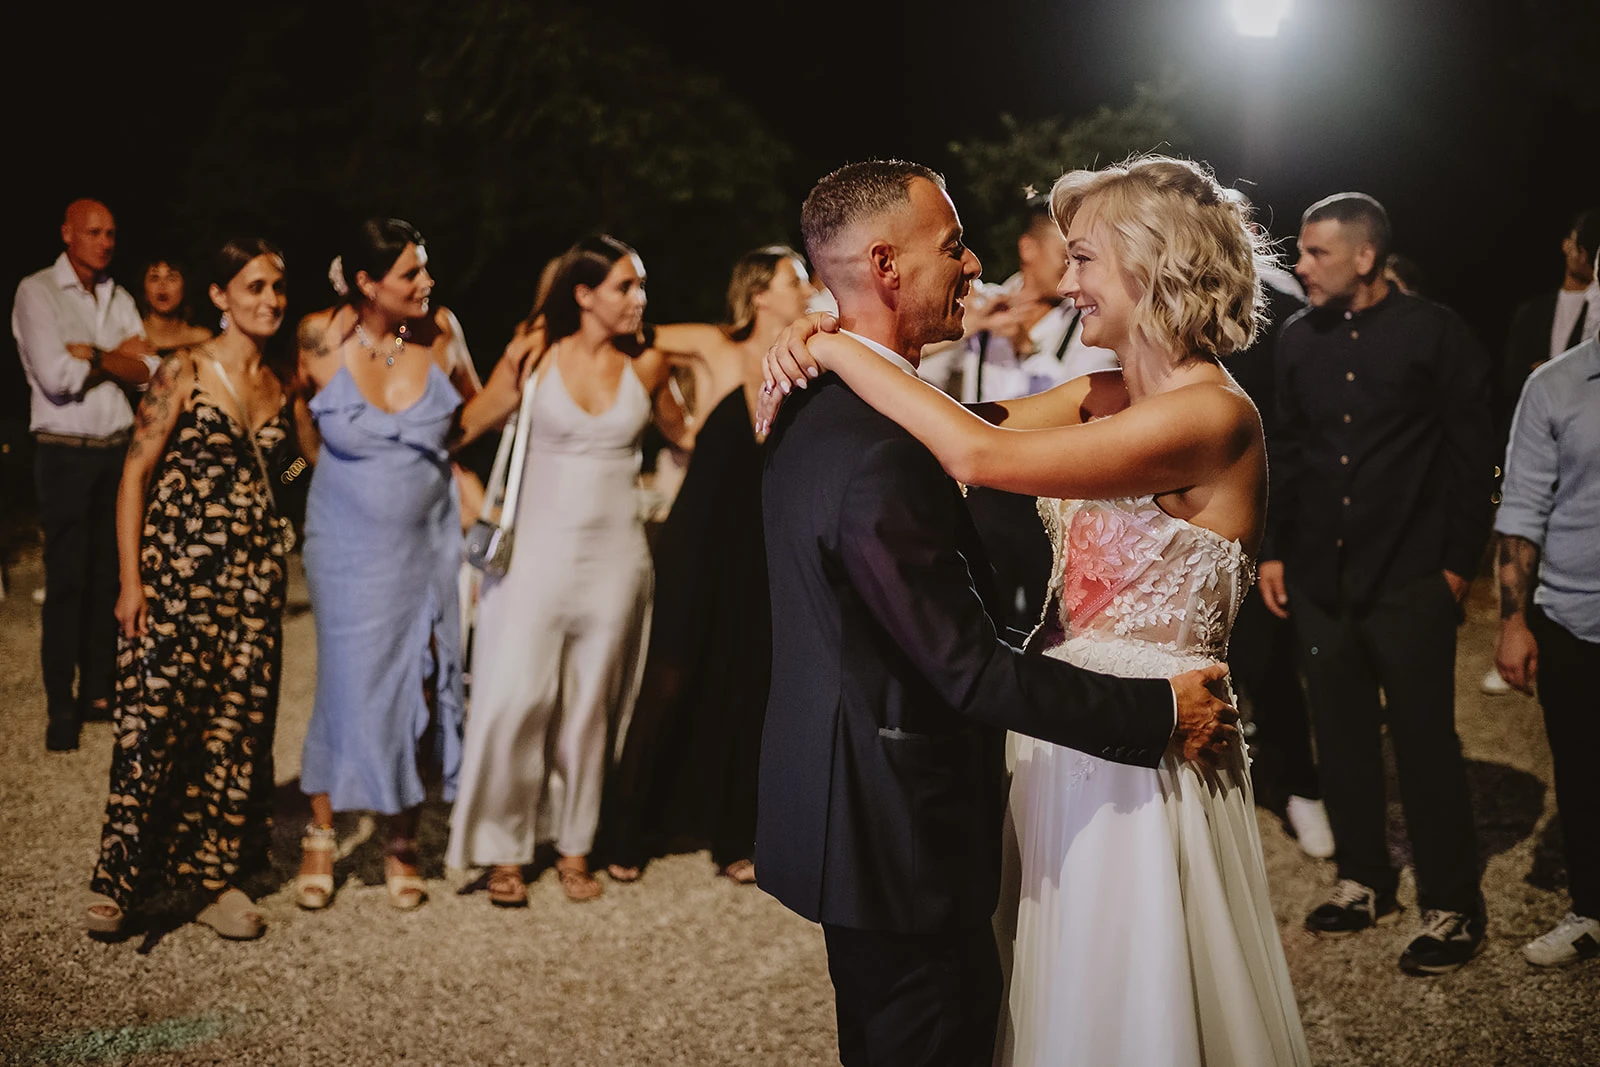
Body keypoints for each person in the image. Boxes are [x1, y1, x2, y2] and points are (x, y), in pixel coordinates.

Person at [755, 158, 1252, 1067]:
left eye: (1083, 260)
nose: (1058, 284)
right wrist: (837, 327)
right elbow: (953, 417)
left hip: (1151, 744)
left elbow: (973, 451)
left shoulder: (1212, 417)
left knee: (1135, 1012)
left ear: (1154, 268)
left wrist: (832, 343)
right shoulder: (1101, 398)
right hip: (1060, 743)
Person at [1258, 192, 1495, 975]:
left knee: (1426, 745)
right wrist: (1275, 552)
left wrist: (1457, 566)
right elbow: (1287, 452)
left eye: (1316, 253)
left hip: (1411, 578)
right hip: (1321, 579)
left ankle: (1453, 902)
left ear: (1366, 256)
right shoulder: (1296, 341)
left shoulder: (1437, 334)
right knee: (1345, 743)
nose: (1301, 265)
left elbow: (1470, 458)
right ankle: (1364, 880)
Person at [446, 235, 690, 905]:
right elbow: (459, 429)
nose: (639, 298)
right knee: (516, 697)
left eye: (641, 285)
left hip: (617, 562)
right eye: (625, 286)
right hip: (532, 559)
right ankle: (502, 846)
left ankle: (576, 843)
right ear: (583, 294)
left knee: (590, 707)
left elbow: (687, 436)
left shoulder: (649, 365)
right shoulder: (532, 356)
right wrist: (469, 501)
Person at [293, 217, 517, 912]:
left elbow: (473, 417)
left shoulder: (441, 330)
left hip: (425, 541)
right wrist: (338, 474)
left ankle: (399, 841)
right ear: (366, 282)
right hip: (342, 543)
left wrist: (517, 371)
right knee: (345, 680)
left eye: (425, 268)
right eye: (410, 273)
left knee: (419, 681)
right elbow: (300, 420)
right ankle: (321, 834)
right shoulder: (317, 336)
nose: (427, 283)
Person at [86, 238, 295, 942]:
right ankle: (120, 878)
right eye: (254, 286)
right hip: (176, 578)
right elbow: (134, 476)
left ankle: (212, 876)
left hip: (253, 585)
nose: (269, 299)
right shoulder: (184, 371)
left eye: (277, 288)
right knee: (153, 722)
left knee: (234, 732)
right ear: (221, 295)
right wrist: (130, 581)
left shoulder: (281, 384)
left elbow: (293, 477)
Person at [599, 245, 814, 885]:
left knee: (751, 679)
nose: (807, 288)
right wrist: (667, 413)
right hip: (697, 538)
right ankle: (627, 832)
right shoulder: (715, 347)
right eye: (794, 279)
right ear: (758, 293)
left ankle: (735, 837)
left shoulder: (808, 359)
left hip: (766, 542)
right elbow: (636, 334)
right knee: (670, 673)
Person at [921, 195, 1122, 635]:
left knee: (1044, 622)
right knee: (980, 614)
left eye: (1079, 259)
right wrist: (968, 330)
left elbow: (1083, 405)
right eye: (1063, 256)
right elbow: (921, 370)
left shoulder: (1085, 318)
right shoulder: (979, 304)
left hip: (1047, 495)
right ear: (1029, 249)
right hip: (979, 494)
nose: (1071, 273)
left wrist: (1025, 350)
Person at [11, 199, 159, 751]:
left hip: (115, 449)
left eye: (112, 233)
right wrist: (115, 358)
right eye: (95, 232)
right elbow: (56, 376)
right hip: (64, 452)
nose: (106, 242)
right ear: (68, 234)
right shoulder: (37, 292)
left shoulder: (118, 295)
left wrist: (96, 354)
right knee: (67, 579)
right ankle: (61, 706)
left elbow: (148, 372)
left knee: (110, 575)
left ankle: (100, 690)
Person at [1494, 255, 1600, 966]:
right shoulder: (1554, 384)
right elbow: (1523, 508)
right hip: (1574, 618)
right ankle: (1592, 910)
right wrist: (1512, 619)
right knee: (1584, 771)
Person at [1221, 245, 1333, 858]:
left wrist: (1275, 544)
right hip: (1176, 508)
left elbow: (1291, 435)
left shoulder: (1281, 307)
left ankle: (1300, 785)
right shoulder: (1142, 304)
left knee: (1268, 662)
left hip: (1261, 509)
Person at [138, 258, 214, 355]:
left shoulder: (202, 339)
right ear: (144, 289)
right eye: (154, 278)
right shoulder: (133, 336)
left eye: (171, 278)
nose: (162, 285)